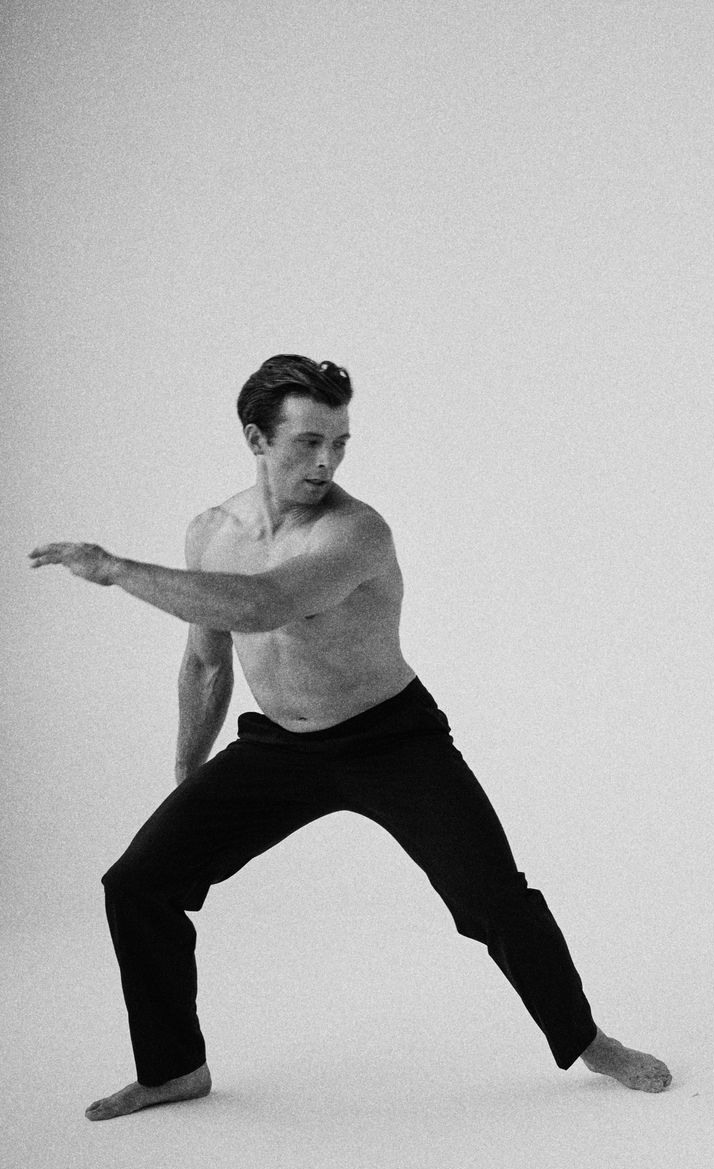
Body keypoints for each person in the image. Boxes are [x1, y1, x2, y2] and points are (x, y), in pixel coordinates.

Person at [29, 354, 671, 1120]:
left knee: (493, 900)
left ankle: (590, 1041)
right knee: (139, 884)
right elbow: (206, 660)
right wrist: (187, 772)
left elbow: (264, 604)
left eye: (338, 443)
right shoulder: (211, 533)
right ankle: (174, 1069)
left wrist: (114, 570)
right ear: (256, 439)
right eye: (308, 442)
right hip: (278, 745)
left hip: (391, 740)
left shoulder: (356, 532)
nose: (325, 462)